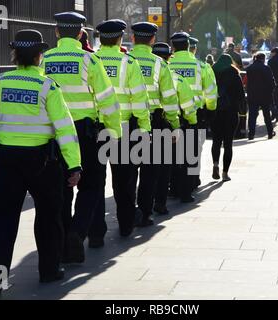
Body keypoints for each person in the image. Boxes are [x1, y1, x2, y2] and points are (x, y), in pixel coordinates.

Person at [0, 29, 81, 296]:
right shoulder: (47, 86)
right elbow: (65, 129)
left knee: (2, 220)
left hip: (6, 161)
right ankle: (49, 270)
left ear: (15, 55)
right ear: (38, 56)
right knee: (48, 216)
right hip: (42, 161)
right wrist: (74, 165)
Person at [42, 12, 121, 261]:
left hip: (54, 134)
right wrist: (114, 133)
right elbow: (107, 99)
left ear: (56, 32)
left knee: (62, 189)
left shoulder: (45, 59)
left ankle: (65, 239)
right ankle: (78, 231)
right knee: (92, 185)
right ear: (80, 33)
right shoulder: (90, 60)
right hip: (86, 133)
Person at [95, 19, 151, 237]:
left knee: (95, 183)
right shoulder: (128, 63)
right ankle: (126, 224)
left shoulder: (91, 60)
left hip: (97, 128)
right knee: (124, 182)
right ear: (120, 39)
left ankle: (96, 233)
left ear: (100, 38)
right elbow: (139, 99)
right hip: (124, 129)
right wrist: (145, 128)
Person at [129, 22, 180, 226]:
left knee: (128, 171)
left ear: (133, 39)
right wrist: (175, 124)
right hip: (156, 121)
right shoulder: (160, 64)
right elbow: (169, 98)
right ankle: (145, 211)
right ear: (152, 40)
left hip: (129, 121)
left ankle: (128, 211)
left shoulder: (126, 60)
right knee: (150, 171)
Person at [169, 32, 218, 202]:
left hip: (171, 114)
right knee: (192, 153)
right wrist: (211, 110)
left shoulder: (166, 65)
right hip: (195, 114)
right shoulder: (202, 66)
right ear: (189, 46)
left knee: (173, 154)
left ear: (173, 47)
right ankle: (188, 188)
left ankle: (173, 187)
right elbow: (211, 92)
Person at [152, 42, 197, 214]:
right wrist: (190, 122)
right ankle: (182, 195)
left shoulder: (140, 73)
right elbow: (187, 104)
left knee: (151, 167)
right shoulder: (177, 79)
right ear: (169, 57)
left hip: (148, 123)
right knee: (177, 162)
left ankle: (152, 201)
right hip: (172, 124)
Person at [211, 54, 245, 182]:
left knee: (216, 141)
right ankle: (225, 173)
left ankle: (215, 164)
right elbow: (241, 95)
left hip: (216, 111)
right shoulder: (234, 74)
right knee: (228, 144)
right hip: (231, 112)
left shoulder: (212, 72)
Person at [246, 53, 276, 140]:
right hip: (265, 95)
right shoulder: (266, 68)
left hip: (253, 95)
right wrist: (271, 92)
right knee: (266, 115)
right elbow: (271, 83)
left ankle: (251, 134)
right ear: (263, 59)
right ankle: (270, 133)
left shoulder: (250, 68)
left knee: (252, 115)